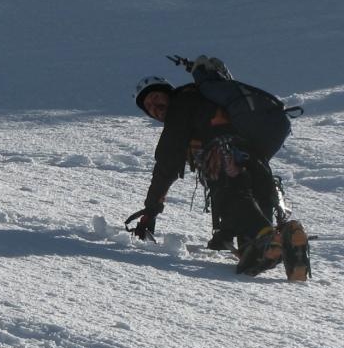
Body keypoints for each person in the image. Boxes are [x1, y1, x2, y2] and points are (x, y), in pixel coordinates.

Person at [129, 56, 309, 280]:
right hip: (254, 157)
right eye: (148, 108)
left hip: (223, 154)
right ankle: (281, 241)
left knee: (231, 197)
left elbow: (167, 162)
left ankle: (267, 239)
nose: (154, 107)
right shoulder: (203, 102)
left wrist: (150, 211)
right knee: (250, 229)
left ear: (168, 92)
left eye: (155, 97)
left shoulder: (182, 103)